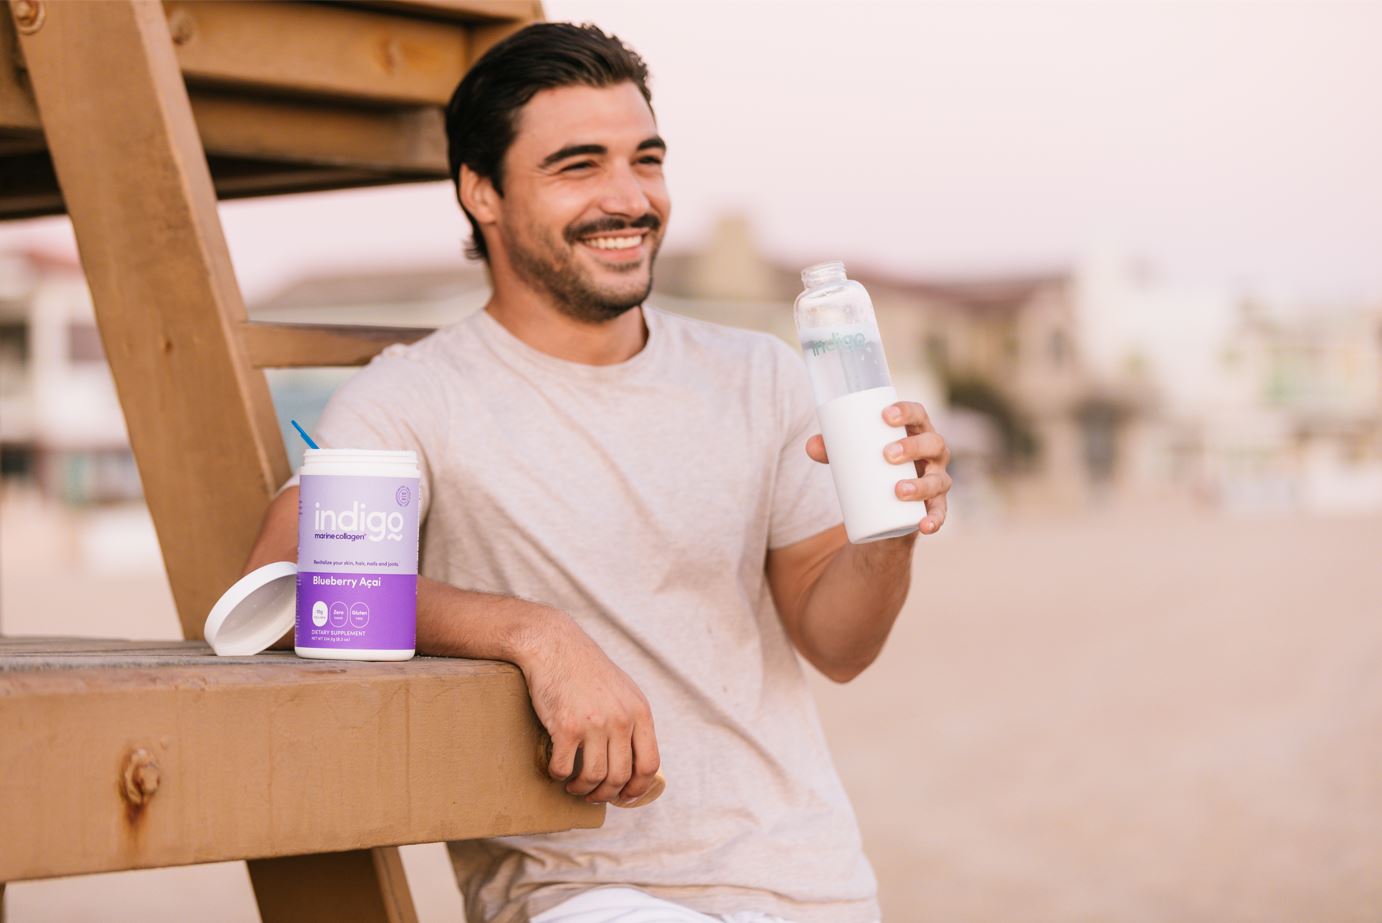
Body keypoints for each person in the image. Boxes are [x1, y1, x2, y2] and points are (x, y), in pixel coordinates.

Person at [242, 22, 951, 923]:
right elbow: (285, 584)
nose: (630, 198)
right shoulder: (411, 399)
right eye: (578, 166)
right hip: (587, 895)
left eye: (645, 160)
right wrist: (534, 634)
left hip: (813, 882)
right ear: (482, 192)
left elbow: (840, 645)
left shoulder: (761, 373)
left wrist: (888, 533)